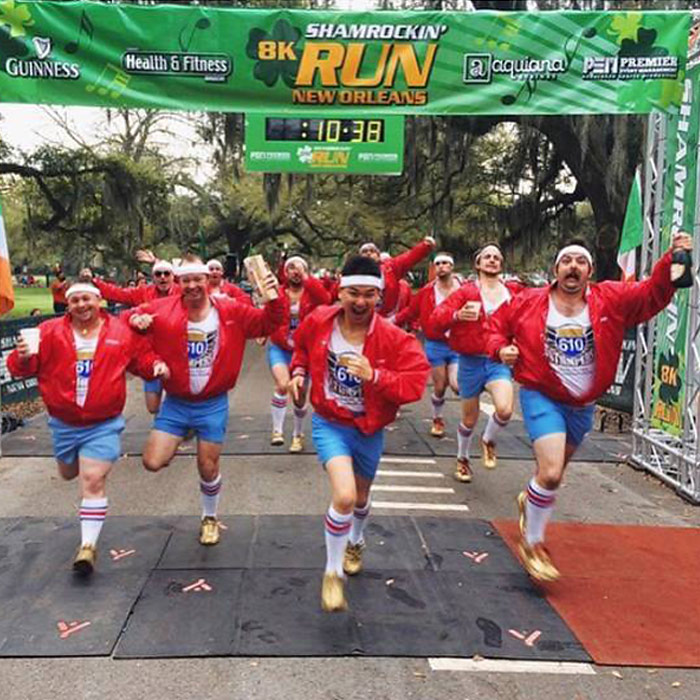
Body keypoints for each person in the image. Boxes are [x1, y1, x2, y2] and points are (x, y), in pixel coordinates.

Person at [486, 233, 693, 582]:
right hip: (542, 393)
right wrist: (500, 350)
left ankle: (530, 501)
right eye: (567, 261)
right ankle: (533, 545)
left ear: (589, 271)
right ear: (556, 269)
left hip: (582, 406)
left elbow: (651, 294)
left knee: (551, 477)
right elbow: (494, 329)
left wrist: (671, 258)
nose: (573, 267)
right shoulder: (529, 301)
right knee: (550, 473)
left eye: (580, 262)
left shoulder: (609, 298)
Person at [289, 255, 429, 612]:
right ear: (340, 291)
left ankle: (356, 539)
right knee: (346, 495)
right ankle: (332, 573)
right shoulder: (319, 321)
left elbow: (415, 384)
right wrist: (299, 373)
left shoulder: (394, 338)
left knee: (361, 499)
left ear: (379, 297)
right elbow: (301, 349)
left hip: (368, 428)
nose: (360, 302)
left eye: (369, 295)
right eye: (353, 293)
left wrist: (376, 376)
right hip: (330, 422)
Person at [7, 283, 168, 575]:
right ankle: (74, 466)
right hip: (63, 423)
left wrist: (155, 365)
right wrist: (21, 356)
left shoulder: (121, 332)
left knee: (92, 480)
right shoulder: (48, 331)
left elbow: (142, 359)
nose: (82, 305)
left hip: (103, 423)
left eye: (87, 299)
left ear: (99, 301)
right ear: (68, 305)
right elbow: (22, 368)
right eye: (76, 300)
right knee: (68, 473)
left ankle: (87, 547)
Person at [129, 254, 284, 546]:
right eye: (186, 281)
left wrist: (274, 298)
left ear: (207, 280)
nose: (192, 286)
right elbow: (129, 326)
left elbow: (268, 323)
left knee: (207, 466)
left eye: (197, 280)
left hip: (212, 402)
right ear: (179, 283)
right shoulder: (161, 310)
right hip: (175, 402)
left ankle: (209, 517)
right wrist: (137, 323)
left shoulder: (230, 310)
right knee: (152, 462)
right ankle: (184, 430)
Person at [431, 244, 521, 482]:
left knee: (504, 409)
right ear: (478, 264)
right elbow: (436, 319)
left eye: (496, 257)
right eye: (487, 257)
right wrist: (456, 316)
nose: (492, 260)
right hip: (469, 361)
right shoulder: (466, 292)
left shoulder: (513, 292)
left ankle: (489, 439)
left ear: (501, 264)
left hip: (496, 360)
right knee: (469, 419)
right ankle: (462, 459)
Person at [82, 261, 179, 415]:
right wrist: (94, 281)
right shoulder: (143, 293)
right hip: (151, 354)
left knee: (180, 397)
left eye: (166, 273)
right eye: (158, 274)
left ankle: (175, 422)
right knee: (153, 407)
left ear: (173, 276)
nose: (162, 277)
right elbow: (117, 293)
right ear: (153, 277)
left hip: (176, 354)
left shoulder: (182, 293)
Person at [267, 255, 331, 452]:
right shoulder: (278, 292)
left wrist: (307, 279)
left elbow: (326, 300)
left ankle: (297, 434)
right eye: (291, 268)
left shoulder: (312, 292)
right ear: (285, 272)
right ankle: (277, 431)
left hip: (304, 350)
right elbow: (266, 310)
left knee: (299, 396)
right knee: (282, 384)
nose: (295, 272)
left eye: (299, 268)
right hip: (279, 346)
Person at [396, 252, 461, 437]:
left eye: (445, 263)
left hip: (457, 343)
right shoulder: (427, 291)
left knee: (457, 386)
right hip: (436, 343)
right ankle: (437, 418)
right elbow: (411, 311)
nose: (441, 266)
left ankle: (463, 415)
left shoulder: (464, 289)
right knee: (440, 387)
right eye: (438, 263)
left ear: (452, 267)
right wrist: (392, 320)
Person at [358, 236, 435, 320]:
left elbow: (409, 257)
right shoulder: (352, 273)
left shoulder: (390, 269)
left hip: (387, 319)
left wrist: (424, 246)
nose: (368, 253)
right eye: (364, 252)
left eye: (372, 251)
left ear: (378, 256)